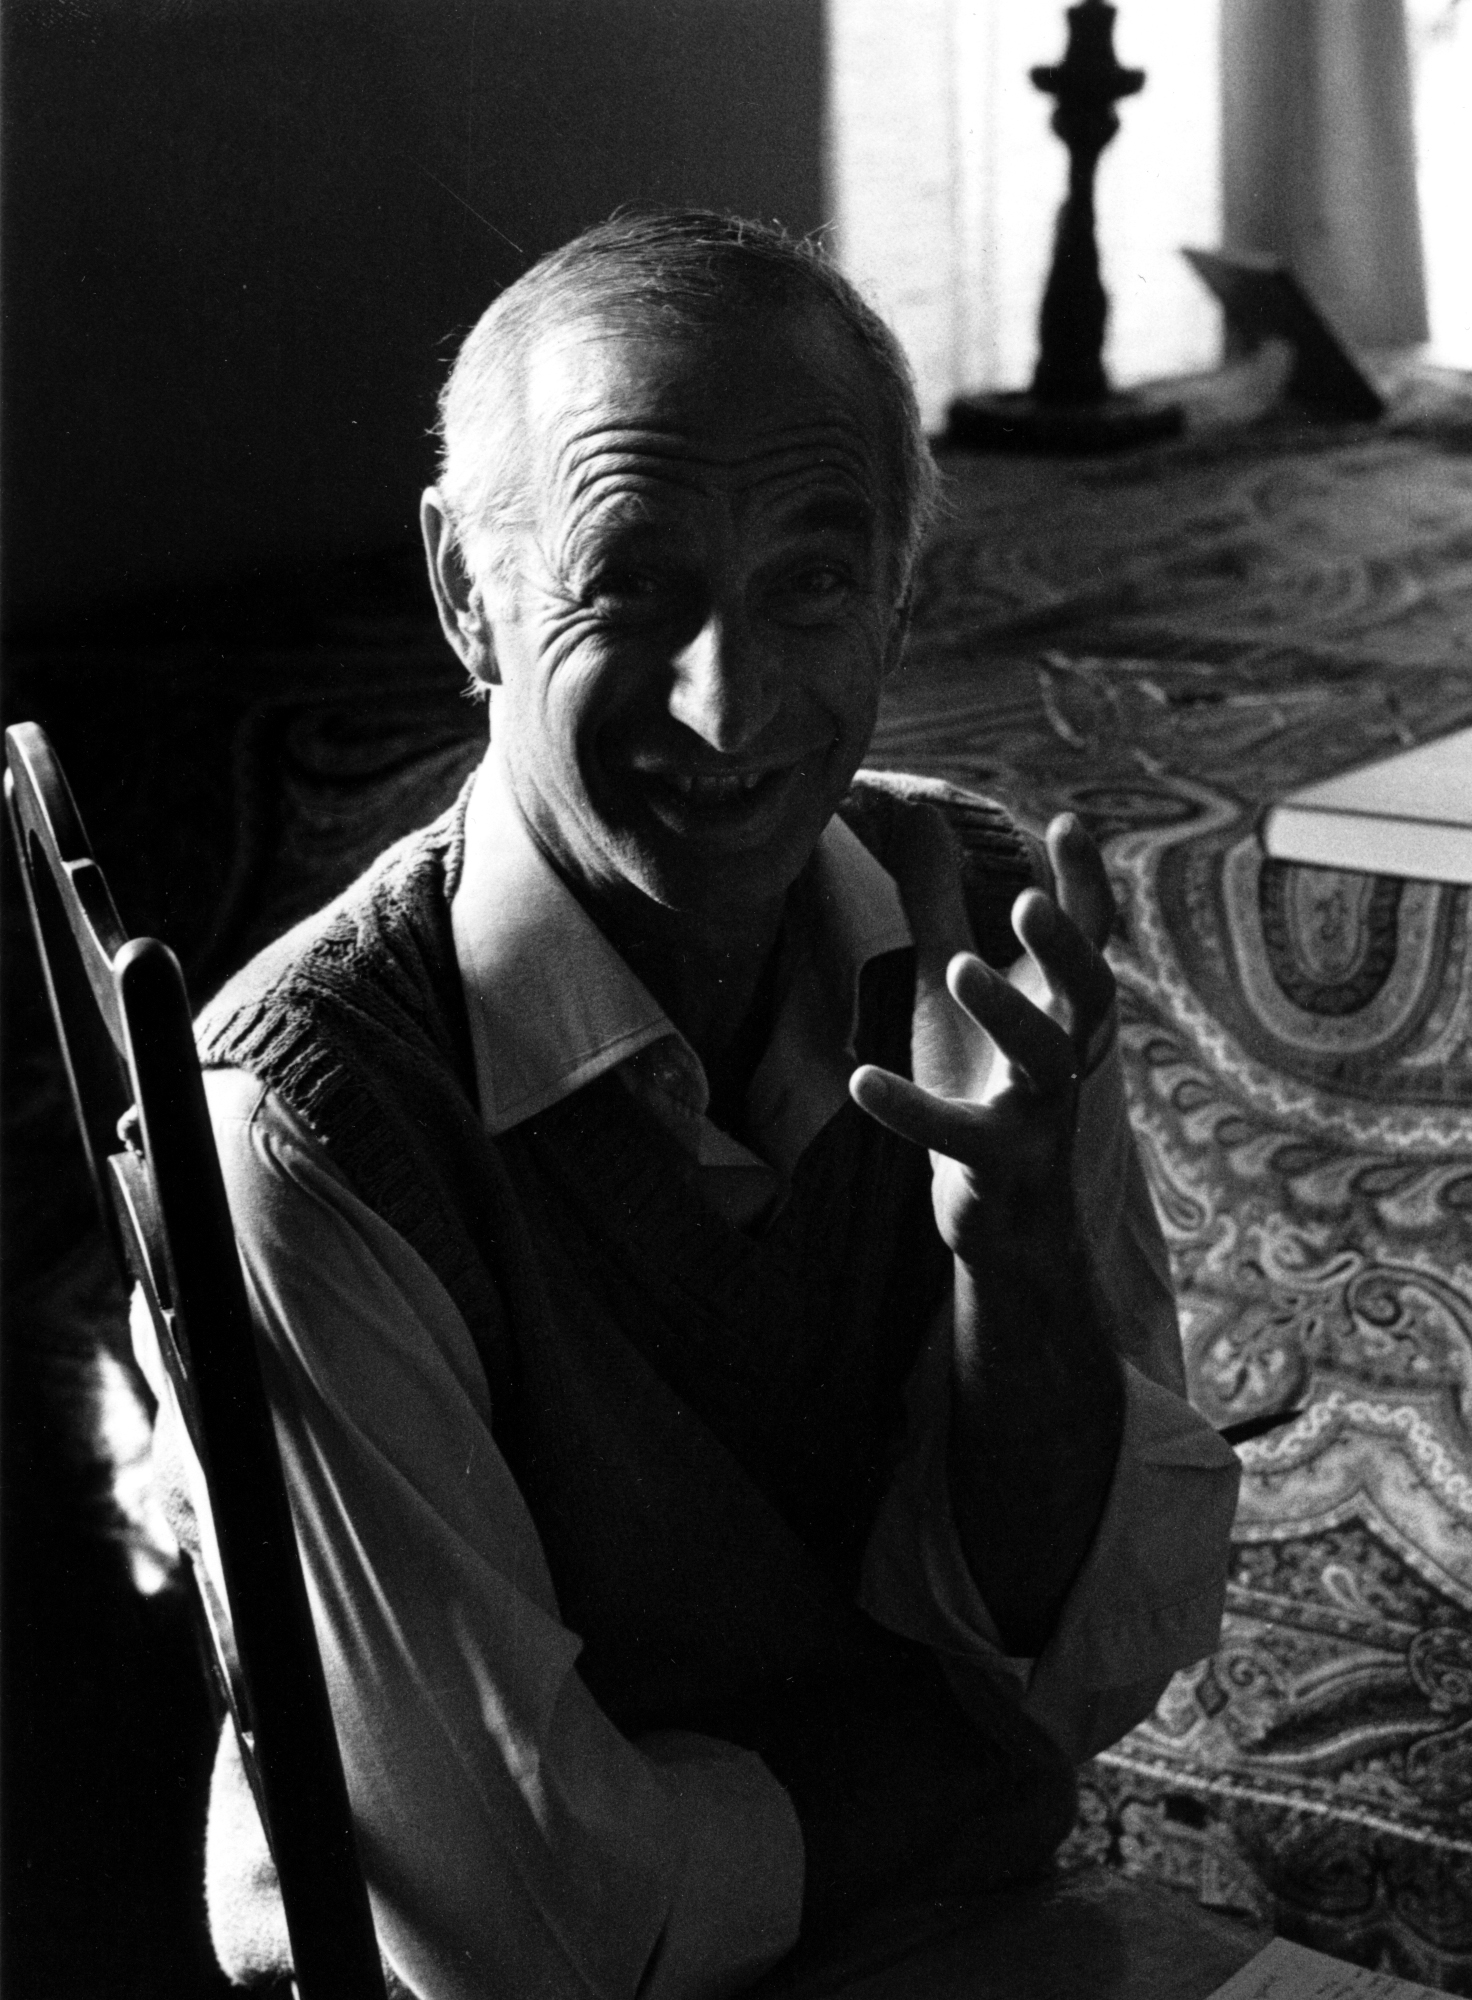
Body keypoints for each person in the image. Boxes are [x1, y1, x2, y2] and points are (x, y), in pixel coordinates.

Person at [138, 209, 1240, 2000]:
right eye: (632, 584)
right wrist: (934, 1795)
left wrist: (1020, 1265)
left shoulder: (972, 923)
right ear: (465, 592)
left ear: (899, 593)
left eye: (813, 583)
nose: (733, 709)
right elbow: (527, 1932)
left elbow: (1084, 1659)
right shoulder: (296, 1130)